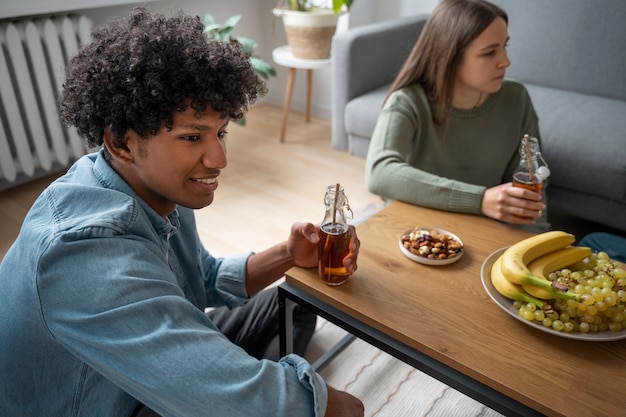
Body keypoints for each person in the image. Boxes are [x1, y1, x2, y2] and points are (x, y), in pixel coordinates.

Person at [0, 7, 364, 417]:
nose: (220, 158)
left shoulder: (149, 185)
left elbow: (201, 277)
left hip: (135, 364)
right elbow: (276, 403)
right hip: (108, 403)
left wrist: (288, 255)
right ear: (121, 141)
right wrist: (330, 405)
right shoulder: (80, 253)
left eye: (220, 132)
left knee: (295, 307)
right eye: (192, 137)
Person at [365, 0, 549, 233]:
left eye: (505, 46)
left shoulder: (517, 99)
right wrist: (479, 200)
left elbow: (531, 182)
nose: (505, 61)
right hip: (415, 231)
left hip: (483, 230)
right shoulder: (407, 102)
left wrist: (538, 236)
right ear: (450, 56)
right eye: (490, 52)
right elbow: (379, 173)